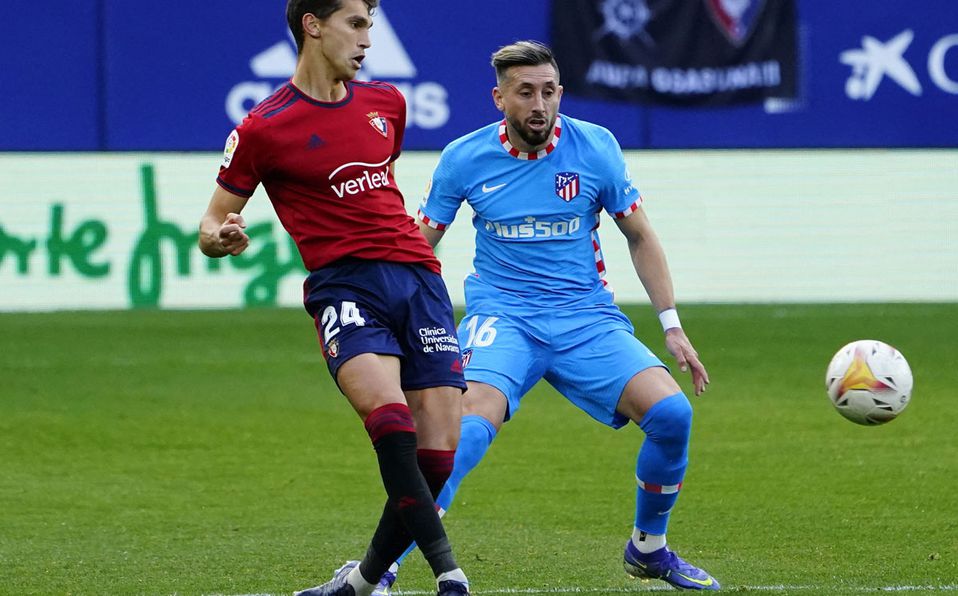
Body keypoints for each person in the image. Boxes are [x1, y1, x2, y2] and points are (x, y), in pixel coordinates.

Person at [377, 40, 720, 593]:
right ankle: (385, 561)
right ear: (499, 98)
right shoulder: (463, 158)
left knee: (673, 416)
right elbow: (423, 245)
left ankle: (648, 550)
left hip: (586, 319)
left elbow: (639, 236)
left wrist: (672, 325)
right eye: (526, 92)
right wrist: (396, 316)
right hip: (504, 316)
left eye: (549, 90)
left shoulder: (596, 148)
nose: (540, 104)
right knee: (461, 434)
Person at [197, 2, 471, 595]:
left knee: (438, 456)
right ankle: (450, 572)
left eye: (371, 25)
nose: (368, 39)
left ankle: (360, 584)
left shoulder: (386, 106)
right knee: (391, 421)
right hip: (344, 286)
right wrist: (222, 237)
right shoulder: (262, 128)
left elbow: (379, 193)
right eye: (356, 23)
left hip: (420, 281)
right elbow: (212, 223)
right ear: (312, 25)